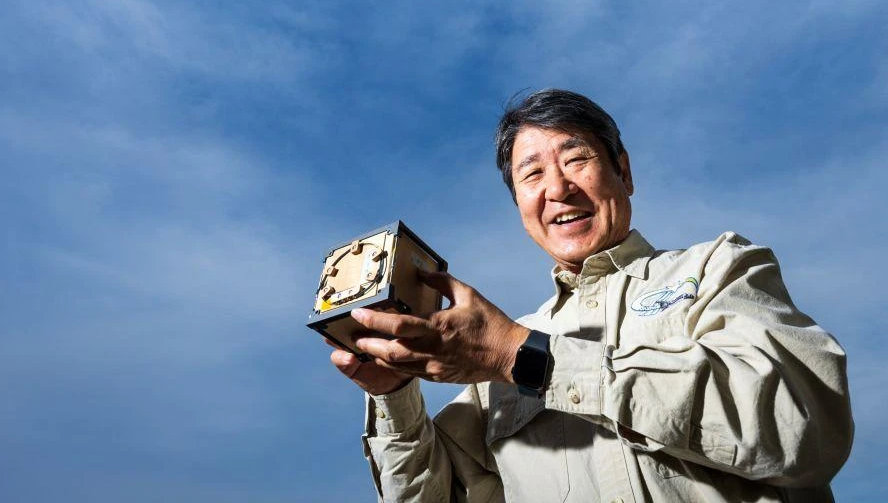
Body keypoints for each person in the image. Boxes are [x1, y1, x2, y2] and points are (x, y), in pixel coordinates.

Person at [328, 89, 853, 502]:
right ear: (520, 206)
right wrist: (395, 393)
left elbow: (804, 433)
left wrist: (523, 357)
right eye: (532, 174)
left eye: (576, 159)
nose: (558, 189)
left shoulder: (718, 267)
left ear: (623, 170)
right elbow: (433, 495)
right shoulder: (493, 363)